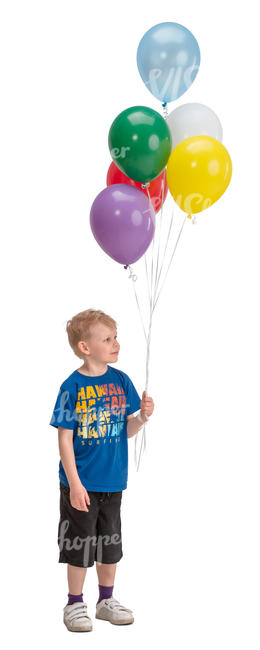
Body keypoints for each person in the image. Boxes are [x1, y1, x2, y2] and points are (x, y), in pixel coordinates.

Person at [50, 308, 154, 631]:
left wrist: (142, 418)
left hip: (112, 483)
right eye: (107, 339)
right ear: (85, 347)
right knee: (79, 543)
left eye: (116, 337)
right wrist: (74, 483)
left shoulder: (120, 381)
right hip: (81, 484)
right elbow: (64, 440)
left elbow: (126, 430)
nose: (116, 344)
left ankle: (106, 600)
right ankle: (74, 603)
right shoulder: (71, 387)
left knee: (110, 542)